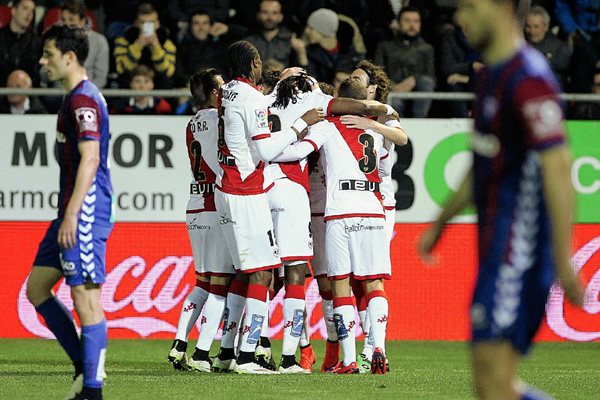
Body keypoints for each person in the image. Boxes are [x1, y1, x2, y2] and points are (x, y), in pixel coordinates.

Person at [418, 1, 584, 399]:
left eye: (470, 7)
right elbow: (480, 163)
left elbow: (559, 168)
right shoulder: (491, 76)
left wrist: (564, 260)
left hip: (519, 255)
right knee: (490, 386)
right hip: (496, 251)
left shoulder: (529, 78)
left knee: (495, 386)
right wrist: (439, 225)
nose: (461, 18)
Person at [212, 40, 323, 374]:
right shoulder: (249, 98)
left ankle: (226, 353)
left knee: (246, 274)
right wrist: (300, 124)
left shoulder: (229, 91)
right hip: (244, 190)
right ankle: (247, 356)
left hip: (227, 187)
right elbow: (265, 149)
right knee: (263, 271)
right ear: (255, 62)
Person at [26, 24, 113, 400]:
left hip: (85, 210)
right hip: (69, 211)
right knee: (37, 288)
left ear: (69, 57)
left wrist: (74, 214)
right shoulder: (75, 98)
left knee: (86, 298)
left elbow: (90, 158)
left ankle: (92, 391)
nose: (42, 61)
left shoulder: (82, 101)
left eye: (47, 54)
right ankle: (84, 366)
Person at [167, 68, 235, 372]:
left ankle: (180, 342)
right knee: (221, 284)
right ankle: (203, 353)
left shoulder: (192, 123)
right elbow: (218, 159)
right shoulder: (215, 119)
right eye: (221, 87)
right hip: (213, 206)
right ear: (213, 92)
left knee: (204, 280)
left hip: (195, 206)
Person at [375, 6, 436, 117]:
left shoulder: (427, 48)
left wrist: (414, 79)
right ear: (398, 23)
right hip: (392, 90)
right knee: (394, 100)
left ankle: (420, 123)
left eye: (416, 21)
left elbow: (431, 75)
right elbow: (377, 73)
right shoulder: (385, 46)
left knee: (427, 82)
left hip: (418, 90)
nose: (412, 25)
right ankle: (395, 129)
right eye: (407, 21)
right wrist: (393, 86)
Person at [113, 3, 177, 89]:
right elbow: (121, 69)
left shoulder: (167, 43)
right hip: (130, 86)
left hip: (158, 86)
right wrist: (138, 46)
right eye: (143, 23)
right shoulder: (123, 41)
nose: (147, 26)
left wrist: (156, 47)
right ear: (136, 23)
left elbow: (168, 72)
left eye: (151, 23)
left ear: (157, 23)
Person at [175, 9, 235, 86]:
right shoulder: (183, 48)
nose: (201, 28)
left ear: (211, 26)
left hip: (220, 90)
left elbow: (248, 35)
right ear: (190, 26)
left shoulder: (222, 46)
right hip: (193, 90)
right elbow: (179, 73)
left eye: (205, 23)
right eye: (196, 23)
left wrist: (228, 29)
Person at [60, 0, 110, 89]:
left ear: (82, 21)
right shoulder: (55, 39)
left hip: (87, 92)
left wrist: (83, 93)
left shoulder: (99, 41)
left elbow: (101, 79)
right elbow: (44, 74)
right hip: (58, 92)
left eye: (71, 19)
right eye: (64, 20)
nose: (66, 25)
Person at [525, 5, 572, 87]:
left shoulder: (560, 47)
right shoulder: (519, 47)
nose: (532, 31)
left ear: (546, 27)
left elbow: (561, 65)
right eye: (528, 26)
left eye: (536, 27)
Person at [0, 0, 42, 86]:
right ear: (14, 11)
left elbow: (36, 75)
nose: (29, 14)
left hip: (28, 93)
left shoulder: (36, 41)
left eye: (32, 11)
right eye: (25, 8)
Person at [245, 0, 295, 69]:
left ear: (281, 17)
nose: (270, 17)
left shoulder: (291, 40)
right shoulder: (248, 42)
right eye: (265, 12)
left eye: (274, 13)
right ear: (258, 15)